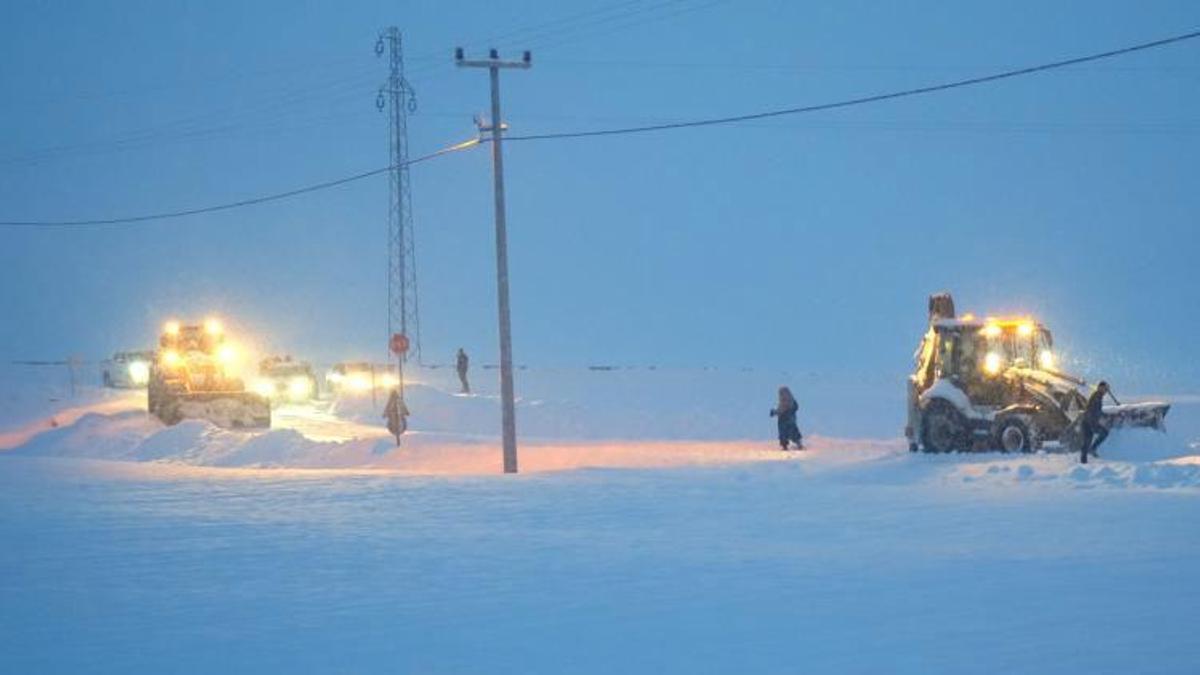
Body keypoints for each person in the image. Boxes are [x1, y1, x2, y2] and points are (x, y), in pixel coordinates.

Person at [1079, 380, 1111, 463]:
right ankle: (1092, 450)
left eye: (1107, 389)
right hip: (1089, 422)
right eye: (1105, 389)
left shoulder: (1098, 396)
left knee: (1087, 442)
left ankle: (1084, 461)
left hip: (1088, 421)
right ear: (1100, 388)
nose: (1106, 391)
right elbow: (1093, 410)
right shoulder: (1097, 396)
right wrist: (1094, 424)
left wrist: (1103, 415)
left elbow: (1096, 410)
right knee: (1104, 433)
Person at [770, 386, 804, 451]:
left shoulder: (786, 401)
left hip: (785, 421)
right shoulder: (791, 401)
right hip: (789, 421)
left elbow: (782, 409)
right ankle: (797, 444)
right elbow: (783, 409)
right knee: (791, 432)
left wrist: (774, 412)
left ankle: (787, 446)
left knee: (786, 433)